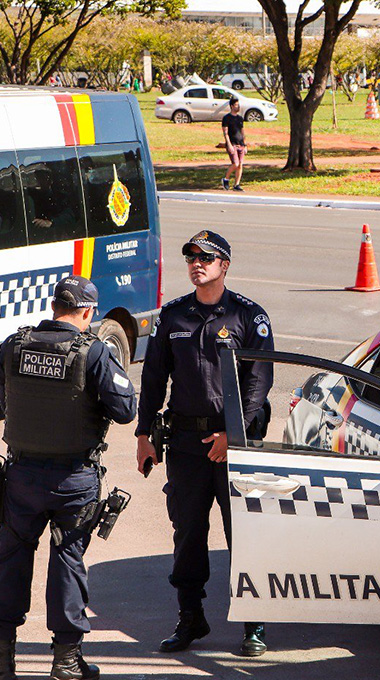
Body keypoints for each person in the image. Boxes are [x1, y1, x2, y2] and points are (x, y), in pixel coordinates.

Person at [0, 276, 137, 680]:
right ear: (87, 312)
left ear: (54, 306)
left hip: (21, 475)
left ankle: (1, 660)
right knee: (68, 561)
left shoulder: (14, 345)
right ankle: (65, 663)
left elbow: (5, 400)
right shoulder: (95, 352)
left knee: (12, 559)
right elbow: (126, 411)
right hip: (73, 478)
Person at [136, 230, 275, 657]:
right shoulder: (172, 316)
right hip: (185, 443)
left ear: (224, 265)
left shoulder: (248, 317)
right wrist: (143, 434)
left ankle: (254, 624)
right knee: (188, 532)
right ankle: (190, 618)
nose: (197, 264)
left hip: (234, 442)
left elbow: (260, 381)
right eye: (191, 257)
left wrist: (234, 433)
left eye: (207, 257)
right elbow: (154, 376)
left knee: (244, 534)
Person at [219, 98, 247, 192]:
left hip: (241, 144)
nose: (238, 106)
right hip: (232, 144)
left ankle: (236, 184)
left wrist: (245, 144)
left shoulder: (240, 118)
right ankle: (226, 179)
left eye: (238, 105)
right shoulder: (226, 118)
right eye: (236, 105)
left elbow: (242, 132)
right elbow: (225, 133)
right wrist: (229, 145)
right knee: (235, 163)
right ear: (231, 106)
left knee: (240, 165)